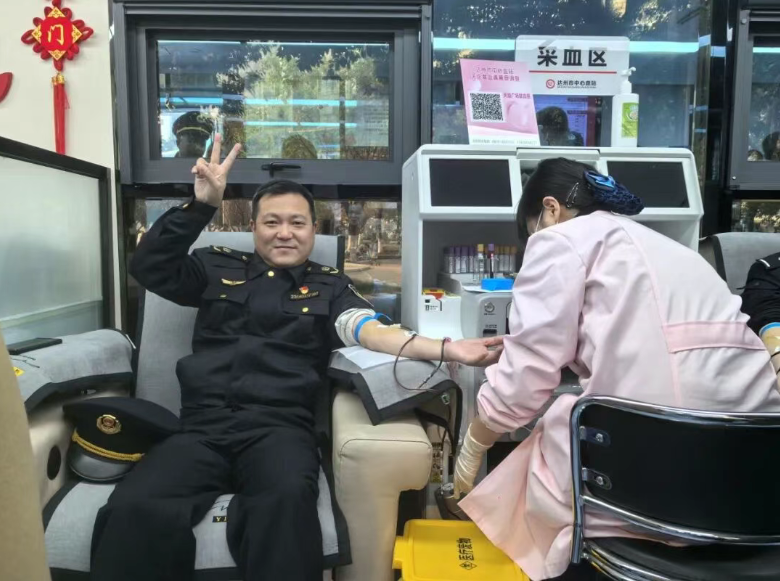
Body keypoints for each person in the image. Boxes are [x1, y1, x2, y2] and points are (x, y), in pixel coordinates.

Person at [90, 134, 501, 581]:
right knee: (134, 508)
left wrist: (447, 348)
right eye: (272, 222)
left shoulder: (329, 285)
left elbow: (370, 330)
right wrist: (202, 206)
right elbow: (149, 267)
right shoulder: (213, 266)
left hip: (280, 432)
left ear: (312, 229)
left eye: (297, 223)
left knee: (286, 508)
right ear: (254, 228)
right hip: (200, 430)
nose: (284, 232)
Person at [452, 157, 780, 581]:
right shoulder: (670, 247)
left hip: (654, 479)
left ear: (550, 209)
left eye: (533, 229)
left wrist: (474, 443)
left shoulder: (559, 240)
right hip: (751, 481)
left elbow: (526, 374)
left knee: (535, 465)